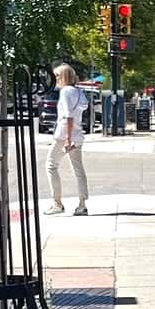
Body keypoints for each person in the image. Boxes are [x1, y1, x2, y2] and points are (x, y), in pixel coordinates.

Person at [45, 64, 89, 216]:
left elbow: (68, 116)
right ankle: (82, 204)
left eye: (57, 76)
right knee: (78, 169)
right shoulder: (79, 92)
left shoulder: (65, 92)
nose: (55, 79)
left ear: (62, 77)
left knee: (51, 165)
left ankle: (57, 203)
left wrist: (67, 139)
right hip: (78, 134)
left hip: (64, 135)